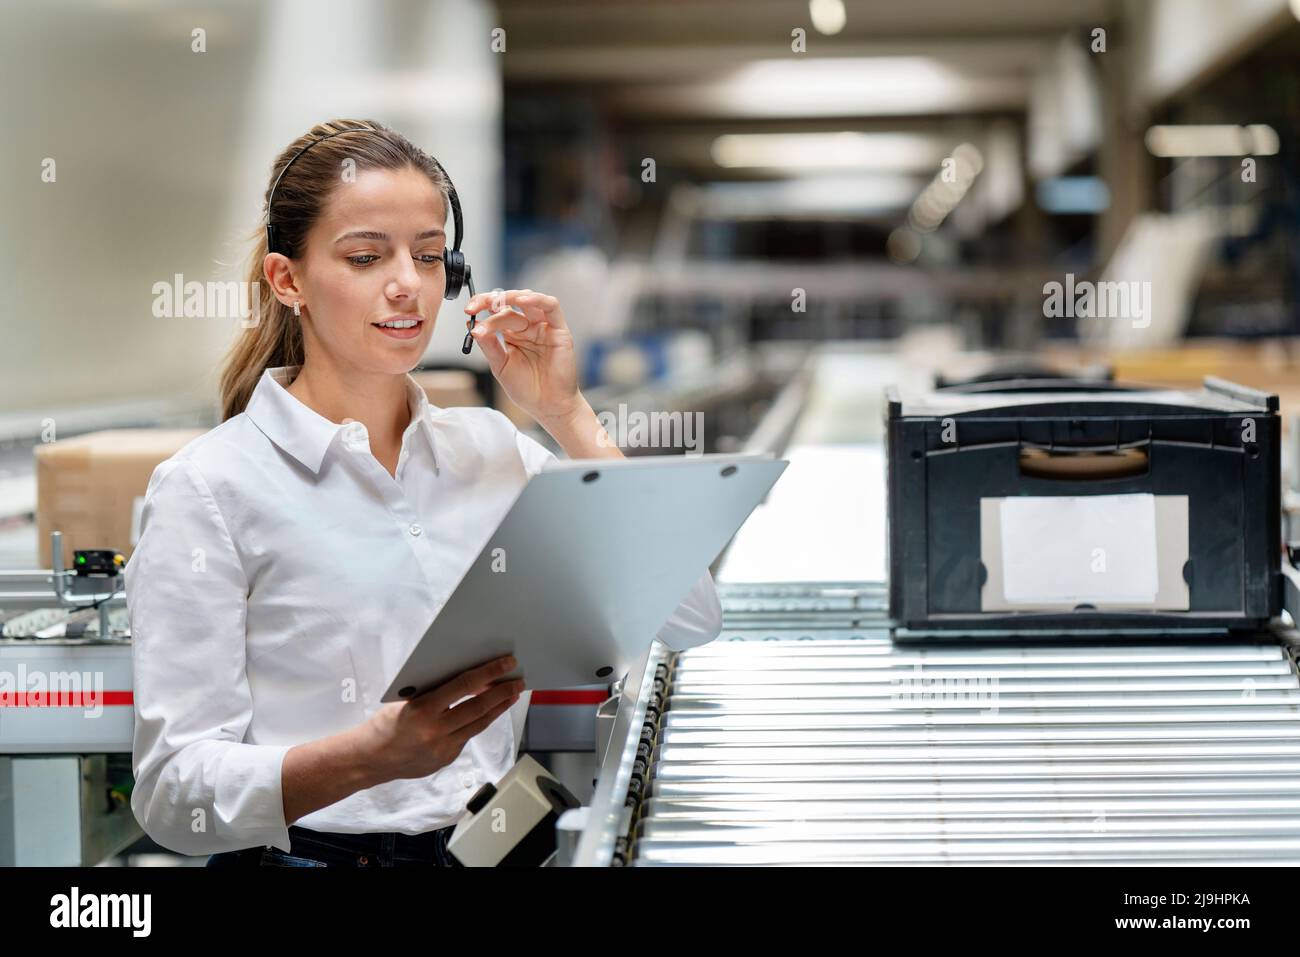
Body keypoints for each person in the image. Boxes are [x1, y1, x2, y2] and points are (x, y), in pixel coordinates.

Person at [124, 118, 723, 868]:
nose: (408, 282)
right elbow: (173, 794)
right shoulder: (210, 488)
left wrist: (566, 414)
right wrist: (366, 756)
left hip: (492, 846)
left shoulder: (491, 451)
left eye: (431, 255)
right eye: (367, 256)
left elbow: (692, 614)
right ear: (288, 280)